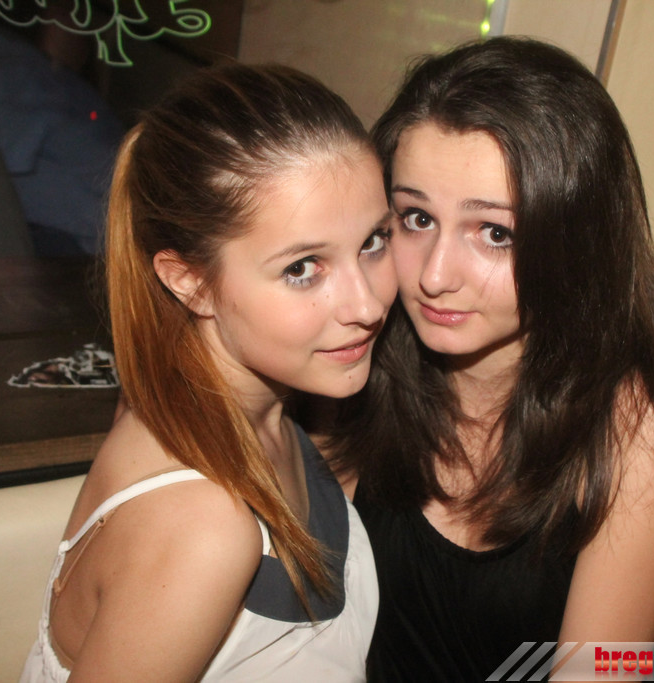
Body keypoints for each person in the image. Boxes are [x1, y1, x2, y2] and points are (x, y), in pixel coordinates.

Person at [325, 37, 654, 681]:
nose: (435, 275)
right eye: (416, 218)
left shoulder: (634, 424)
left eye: (495, 233)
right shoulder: (360, 353)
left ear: (577, 240)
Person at [20, 60, 396, 682]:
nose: (368, 305)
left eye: (374, 241)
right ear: (189, 281)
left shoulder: (233, 405)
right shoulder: (205, 527)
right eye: (302, 268)